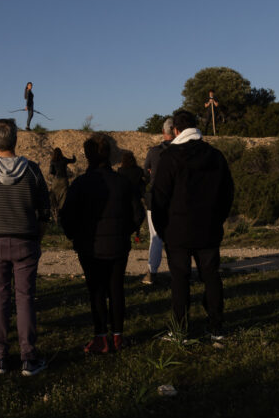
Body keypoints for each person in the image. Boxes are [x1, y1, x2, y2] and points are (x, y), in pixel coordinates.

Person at [0, 119, 51, 376]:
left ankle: (0, 356)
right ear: (16, 139)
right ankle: (29, 357)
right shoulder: (32, 170)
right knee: (25, 298)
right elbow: (45, 209)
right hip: (26, 239)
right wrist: (38, 235)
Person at [150, 110, 234, 340]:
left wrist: (161, 227)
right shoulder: (215, 155)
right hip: (209, 227)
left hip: (177, 230)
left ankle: (180, 329)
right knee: (211, 276)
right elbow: (227, 192)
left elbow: (159, 197)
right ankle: (216, 326)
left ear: (176, 130)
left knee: (180, 279)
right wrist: (218, 218)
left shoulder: (170, 157)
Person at [60, 134, 143, 353]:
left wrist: (75, 237)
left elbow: (66, 217)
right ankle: (117, 336)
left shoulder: (80, 184)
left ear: (87, 156)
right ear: (109, 154)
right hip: (118, 245)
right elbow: (138, 214)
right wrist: (124, 231)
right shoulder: (122, 182)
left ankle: (100, 337)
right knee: (116, 289)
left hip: (90, 247)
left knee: (96, 291)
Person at [142, 117, 174, 285]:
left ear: (163, 132)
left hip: (155, 199)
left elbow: (145, 174)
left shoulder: (153, 152)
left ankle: (151, 272)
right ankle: (177, 270)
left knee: (155, 237)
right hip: (174, 199)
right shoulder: (181, 151)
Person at [47, 147, 76, 222]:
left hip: (56, 181)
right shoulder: (64, 159)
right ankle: (61, 213)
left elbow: (51, 171)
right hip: (64, 180)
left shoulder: (52, 161)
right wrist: (74, 156)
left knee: (53, 195)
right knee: (64, 197)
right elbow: (73, 161)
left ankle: (55, 212)